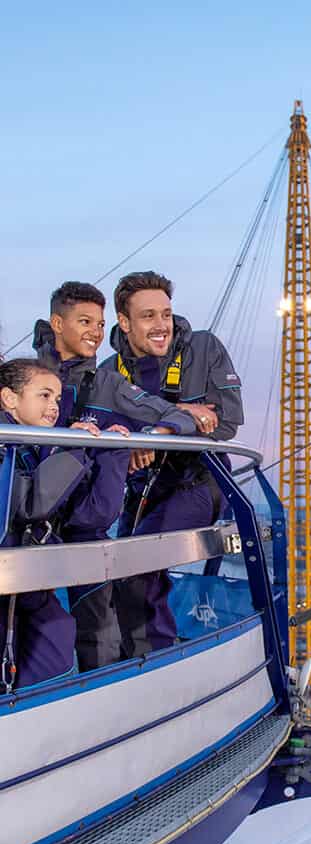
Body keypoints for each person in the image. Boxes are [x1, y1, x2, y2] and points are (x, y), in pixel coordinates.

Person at [33, 281, 200, 669]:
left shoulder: (108, 385)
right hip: (28, 525)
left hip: (84, 528)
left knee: (98, 633)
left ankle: (107, 713)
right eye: (84, 321)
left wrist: (150, 438)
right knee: (33, 631)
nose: (95, 332)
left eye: (100, 322)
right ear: (57, 323)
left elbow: (175, 416)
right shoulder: (26, 379)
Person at [102, 271, 244, 657]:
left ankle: (157, 661)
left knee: (139, 564)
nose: (161, 325)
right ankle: (129, 657)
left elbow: (226, 420)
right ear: (124, 321)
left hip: (200, 482)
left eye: (166, 313)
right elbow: (101, 428)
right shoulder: (109, 371)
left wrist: (156, 431)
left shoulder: (203, 348)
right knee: (115, 568)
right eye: (148, 316)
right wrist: (176, 416)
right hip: (141, 485)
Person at [0, 359, 128, 690]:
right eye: (44, 396)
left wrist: (112, 454)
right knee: (50, 633)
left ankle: (30, 719)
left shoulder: (33, 444)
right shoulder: (7, 444)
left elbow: (89, 514)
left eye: (57, 399)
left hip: (30, 575)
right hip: (12, 575)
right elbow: (29, 505)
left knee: (56, 631)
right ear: (9, 398)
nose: (54, 407)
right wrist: (68, 446)